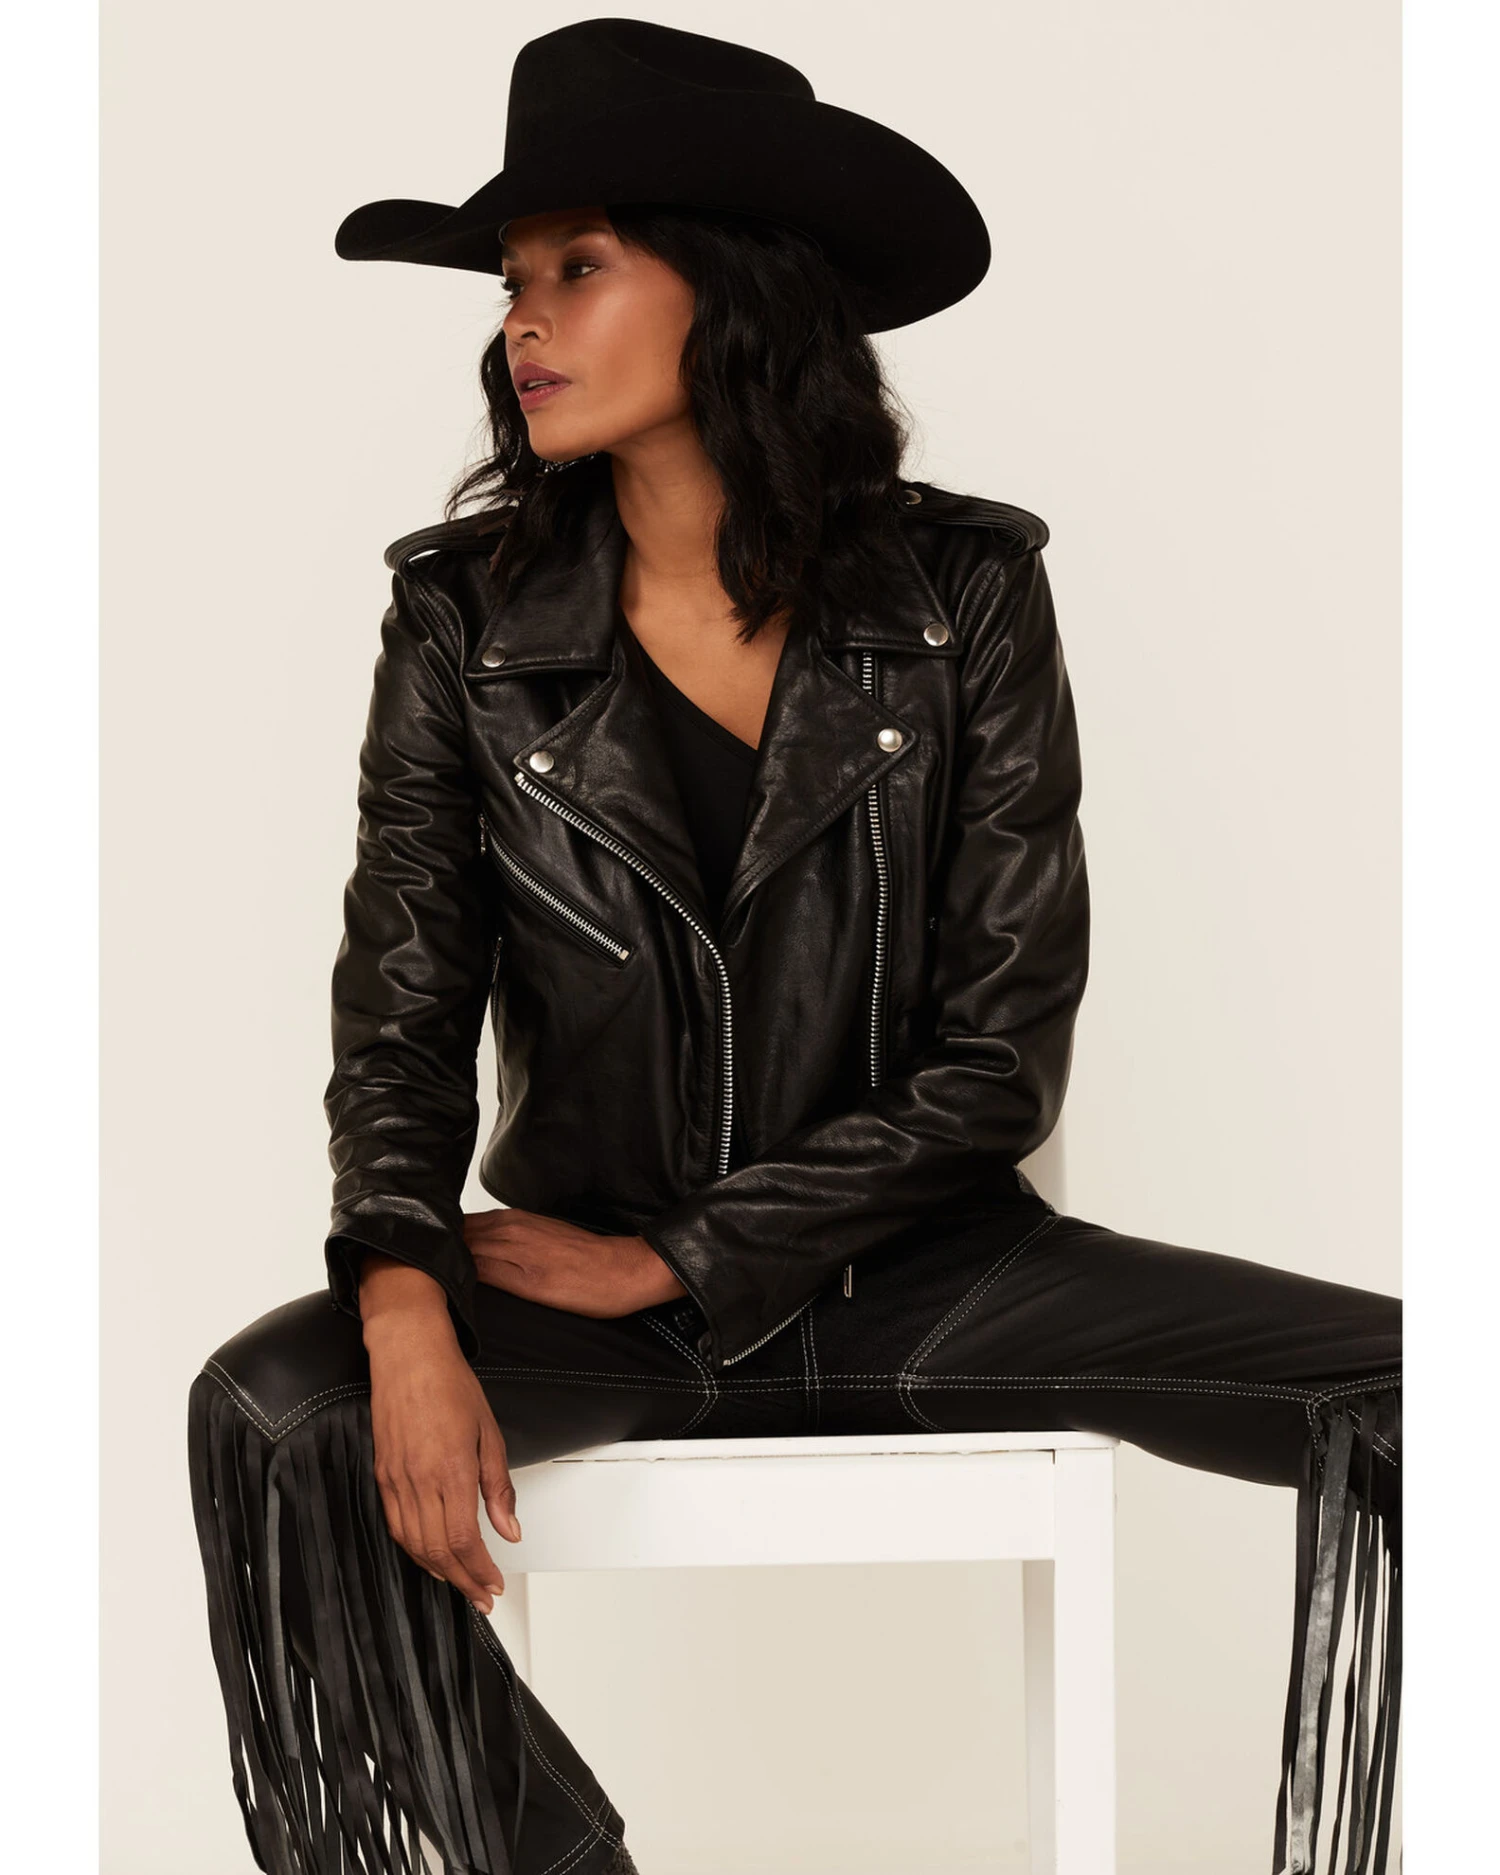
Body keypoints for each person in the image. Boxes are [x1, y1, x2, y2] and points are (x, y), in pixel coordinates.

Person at [185, 20, 1400, 1875]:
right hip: (593, 1301)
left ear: (734, 287)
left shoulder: (967, 595)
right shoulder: (462, 624)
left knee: (1420, 1385)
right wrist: (406, 1295)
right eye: (513, 282)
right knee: (273, 1420)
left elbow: (1001, 1057)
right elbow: (404, 1009)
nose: (523, 324)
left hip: (936, 1282)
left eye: (579, 267)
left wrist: (680, 1252)